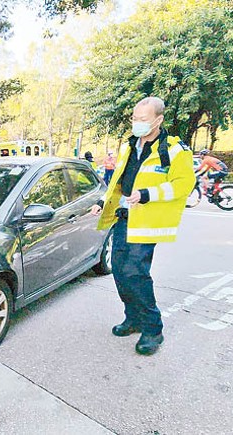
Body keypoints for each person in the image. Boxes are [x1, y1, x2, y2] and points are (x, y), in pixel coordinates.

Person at [90, 97, 195, 356]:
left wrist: (148, 194)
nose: (137, 123)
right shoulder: (129, 146)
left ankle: (152, 328)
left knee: (136, 274)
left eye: (143, 119)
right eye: (134, 119)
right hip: (124, 218)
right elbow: (118, 180)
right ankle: (133, 318)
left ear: (158, 120)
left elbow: (184, 184)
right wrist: (102, 202)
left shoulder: (174, 150)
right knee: (120, 273)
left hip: (146, 222)